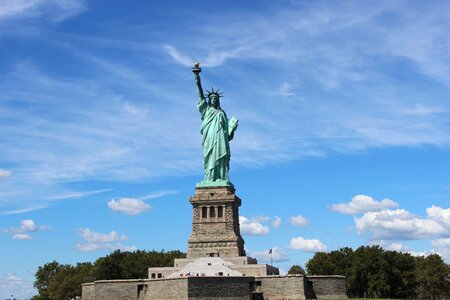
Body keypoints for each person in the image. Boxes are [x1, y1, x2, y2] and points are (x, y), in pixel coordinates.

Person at [193, 63, 238, 187]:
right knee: (209, 157)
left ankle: (221, 177)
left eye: (215, 98)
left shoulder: (222, 113)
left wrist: (232, 128)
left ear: (218, 101)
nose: (213, 99)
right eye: (211, 98)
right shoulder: (206, 110)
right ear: (209, 100)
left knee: (221, 157)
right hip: (210, 138)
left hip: (221, 140)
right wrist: (197, 78)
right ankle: (210, 178)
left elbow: (228, 135)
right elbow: (200, 94)